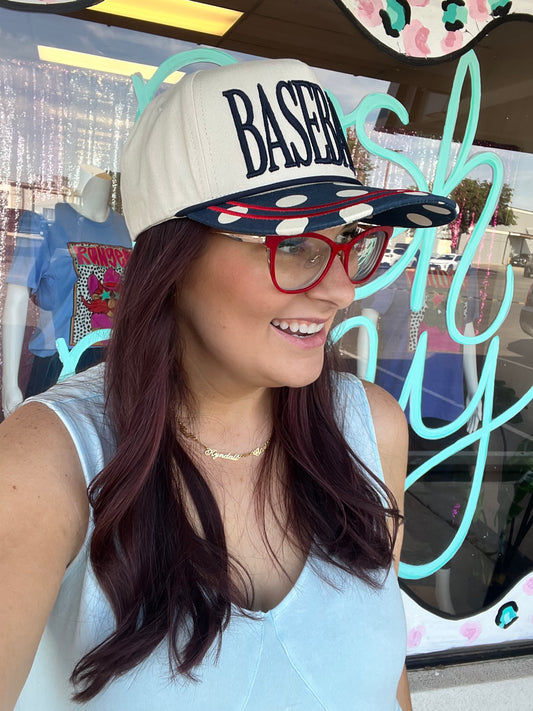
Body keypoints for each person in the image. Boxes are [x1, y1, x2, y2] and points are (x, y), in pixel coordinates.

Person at [0, 58, 458, 710]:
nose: (341, 289)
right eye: (293, 244)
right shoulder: (47, 466)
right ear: (174, 259)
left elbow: (387, 685)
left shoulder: (369, 429)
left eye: (347, 240)